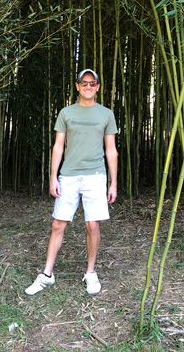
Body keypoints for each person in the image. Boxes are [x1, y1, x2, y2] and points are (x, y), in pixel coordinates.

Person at [25, 69, 118, 296]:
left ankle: (91, 272)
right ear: (77, 86)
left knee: (92, 225)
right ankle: (47, 274)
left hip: (95, 176)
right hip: (68, 175)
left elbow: (111, 149)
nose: (88, 87)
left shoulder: (106, 114)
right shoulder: (66, 113)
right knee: (58, 224)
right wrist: (53, 176)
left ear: (97, 87)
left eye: (92, 83)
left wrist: (113, 182)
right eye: (84, 83)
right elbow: (58, 146)